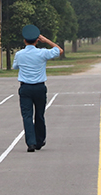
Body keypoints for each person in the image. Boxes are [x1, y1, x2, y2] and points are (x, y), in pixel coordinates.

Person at [12, 24, 63, 152]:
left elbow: (15, 67)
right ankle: (40, 140)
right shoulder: (43, 53)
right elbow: (59, 50)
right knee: (39, 115)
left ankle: (31, 143)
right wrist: (46, 41)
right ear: (37, 40)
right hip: (40, 88)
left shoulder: (19, 54)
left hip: (25, 88)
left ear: (24, 40)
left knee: (27, 116)